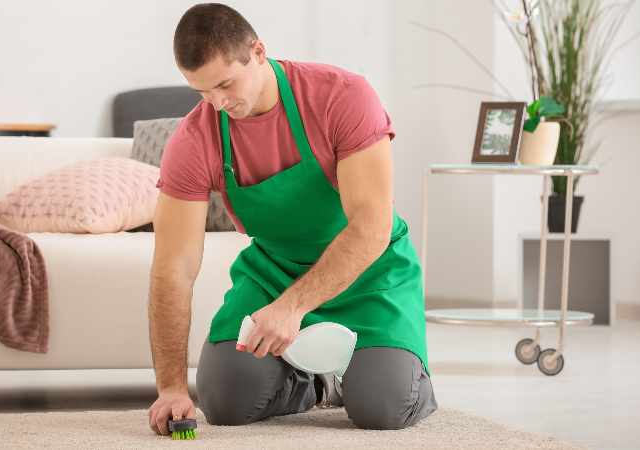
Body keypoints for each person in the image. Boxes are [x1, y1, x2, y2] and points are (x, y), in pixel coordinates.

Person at [147, 3, 437, 436]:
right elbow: (173, 268)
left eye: (226, 84)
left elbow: (371, 225)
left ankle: (404, 375)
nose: (218, 103)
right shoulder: (194, 139)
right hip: (274, 276)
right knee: (226, 399)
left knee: (381, 405)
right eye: (202, 92)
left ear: (258, 52)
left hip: (370, 272)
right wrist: (170, 387)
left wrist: (293, 308)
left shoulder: (342, 96)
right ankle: (314, 383)